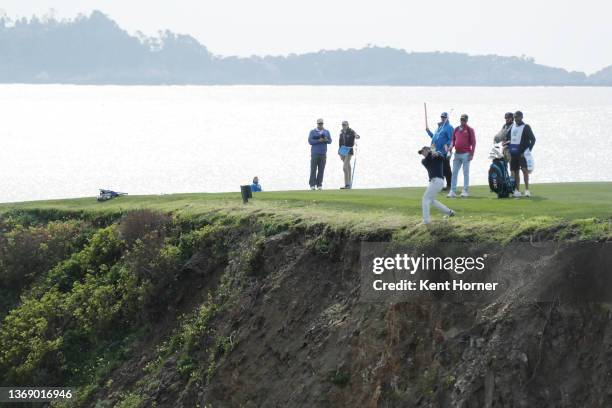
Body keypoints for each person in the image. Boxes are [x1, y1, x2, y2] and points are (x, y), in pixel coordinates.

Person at [419, 146, 455, 225]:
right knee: (431, 200)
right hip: (434, 182)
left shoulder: (437, 155)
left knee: (425, 199)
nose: (422, 153)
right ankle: (449, 212)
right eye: (421, 152)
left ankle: (426, 221)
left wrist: (437, 154)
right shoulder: (424, 160)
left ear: (428, 150)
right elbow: (428, 160)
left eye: (423, 151)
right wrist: (431, 153)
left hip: (437, 181)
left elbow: (443, 158)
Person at [509, 111, 536, 198]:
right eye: (515, 117)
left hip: (522, 154)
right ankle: (517, 190)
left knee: (525, 171)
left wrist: (527, 151)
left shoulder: (526, 127)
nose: (516, 118)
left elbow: (533, 140)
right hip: (513, 154)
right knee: (515, 172)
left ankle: (527, 190)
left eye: (517, 117)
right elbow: (511, 139)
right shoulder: (512, 126)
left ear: (521, 117)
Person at [448, 114, 476, 198]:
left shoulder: (469, 129)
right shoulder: (456, 129)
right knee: (454, 172)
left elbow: (473, 142)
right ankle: (452, 191)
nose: (462, 121)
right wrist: (450, 147)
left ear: (467, 120)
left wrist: (472, 154)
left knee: (465, 172)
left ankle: (465, 191)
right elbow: (453, 140)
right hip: (457, 154)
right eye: (461, 119)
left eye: (464, 119)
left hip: (466, 154)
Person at [425, 112, 453, 190]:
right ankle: (438, 185)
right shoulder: (439, 128)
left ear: (447, 118)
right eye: (442, 117)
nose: (442, 118)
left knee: (446, 168)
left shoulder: (449, 127)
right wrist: (428, 131)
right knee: (439, 169)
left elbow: (451, 139)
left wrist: (446, 145)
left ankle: (449, 185)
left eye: (444, 117)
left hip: (444, 152)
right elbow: (434, 138)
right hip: (436, 152)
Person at [308, 118, 332, 190]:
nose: (320, 125)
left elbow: (330, 141)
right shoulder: (312, 132)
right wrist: (318, 140)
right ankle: (312, 184)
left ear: (323, 124)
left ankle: (319, 185)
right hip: (315, 153)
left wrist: (326, 140)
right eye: (319, 124)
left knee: (321, 170)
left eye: (321, 123)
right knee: (313, 169)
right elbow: (310, 141)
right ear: (317, 124)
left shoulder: (326, 132)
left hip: (323, 153)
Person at [338, 120, 360, 189]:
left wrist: (356, 136)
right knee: (348, 167)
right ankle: (349, 184)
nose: (344, 126)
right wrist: (339, 153)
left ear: (348, 125)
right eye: (343, 125)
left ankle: (347, 184)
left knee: (345, 167)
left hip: (349, 150)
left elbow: (357, 135)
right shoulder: (341, 133)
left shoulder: (351, 131)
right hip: (343, 150)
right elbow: (340, 143)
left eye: (345, 125)